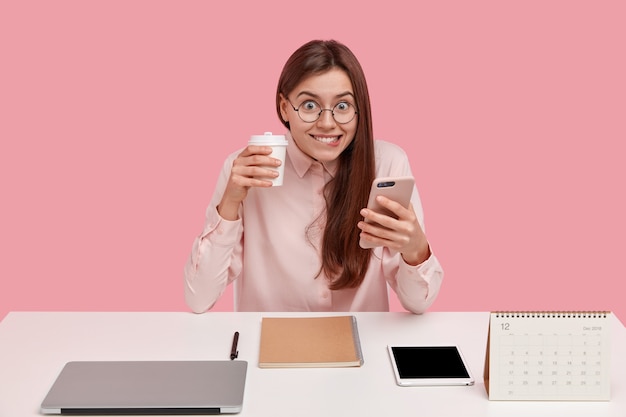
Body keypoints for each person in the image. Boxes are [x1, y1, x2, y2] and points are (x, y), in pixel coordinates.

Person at [184, 39, 443, 313]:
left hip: (362, 346)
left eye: (342, 106)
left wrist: (416, 249)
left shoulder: (388, 164)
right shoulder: (247, 170)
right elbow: (199, 298)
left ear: (359, 110)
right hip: (271, 344)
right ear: (285, 107)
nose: (327, 123)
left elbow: (418, 303)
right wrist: (230, 203)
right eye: (309, 106)